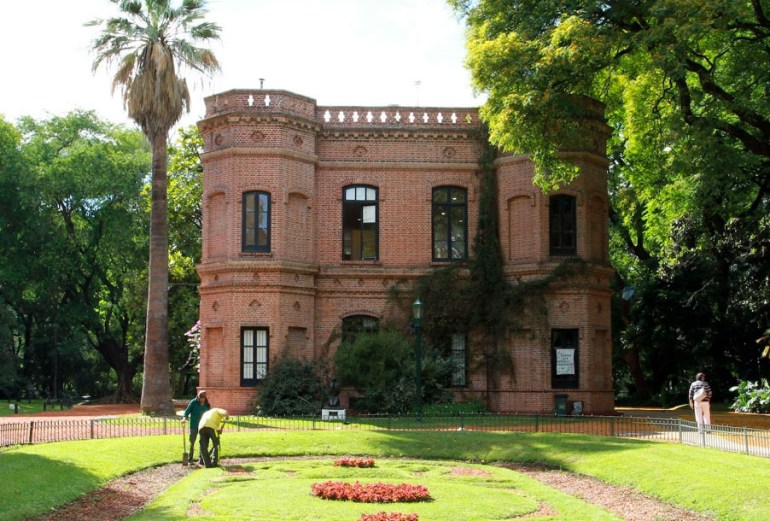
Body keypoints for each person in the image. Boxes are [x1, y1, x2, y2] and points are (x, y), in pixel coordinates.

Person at [181, 390, 210, 465]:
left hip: (203, 426)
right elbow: (187, 412)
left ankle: (201, 459)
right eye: (200, 398)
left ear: (205, 398)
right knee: (192, 441)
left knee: (203, 442)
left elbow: (209, 414)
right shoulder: (193, 402)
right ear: (198, 397)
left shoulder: (207, 404)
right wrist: (184, 418)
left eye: (203, 398)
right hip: (194, 425)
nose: (201, 400)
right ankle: (190, 459)